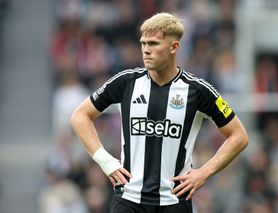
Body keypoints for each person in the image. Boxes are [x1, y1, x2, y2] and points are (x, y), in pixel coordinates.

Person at [70, 12, 248, 213]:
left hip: (175, 202)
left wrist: (204, 173)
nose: (146, 50)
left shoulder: (198, 91)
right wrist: (106, 161)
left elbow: (239, 136)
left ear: (174, 47)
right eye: (143, 43)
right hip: (129, 200)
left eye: (153, 44)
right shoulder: (126, 82)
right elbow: (80, 116)